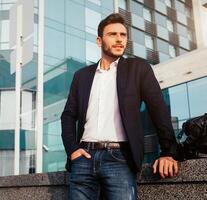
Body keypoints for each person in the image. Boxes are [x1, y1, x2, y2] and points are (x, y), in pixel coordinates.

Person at [61, 13, 179, 200]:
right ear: (99, 40)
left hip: (120, 158)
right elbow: (68, 116)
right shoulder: (81, 75)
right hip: (84, 158)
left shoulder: (138, 68)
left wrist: (168, 152)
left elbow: (158, 109)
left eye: (123, 35)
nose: (119, 39)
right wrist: (73, 150)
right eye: (113, 34)